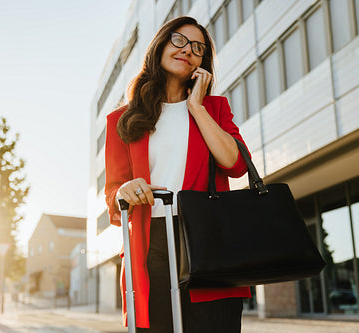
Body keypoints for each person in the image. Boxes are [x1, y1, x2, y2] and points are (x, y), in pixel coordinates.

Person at [105, 16, 251, 332]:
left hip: (207, 239)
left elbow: (235, 164)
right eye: (179, 40)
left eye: (198, 48)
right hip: (150, 242)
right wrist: (123, 191)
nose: (187, 50)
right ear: (160, 45)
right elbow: (113, 192)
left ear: (203, 63)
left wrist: (196, 107)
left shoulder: (214, 108)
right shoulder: (122, 119)